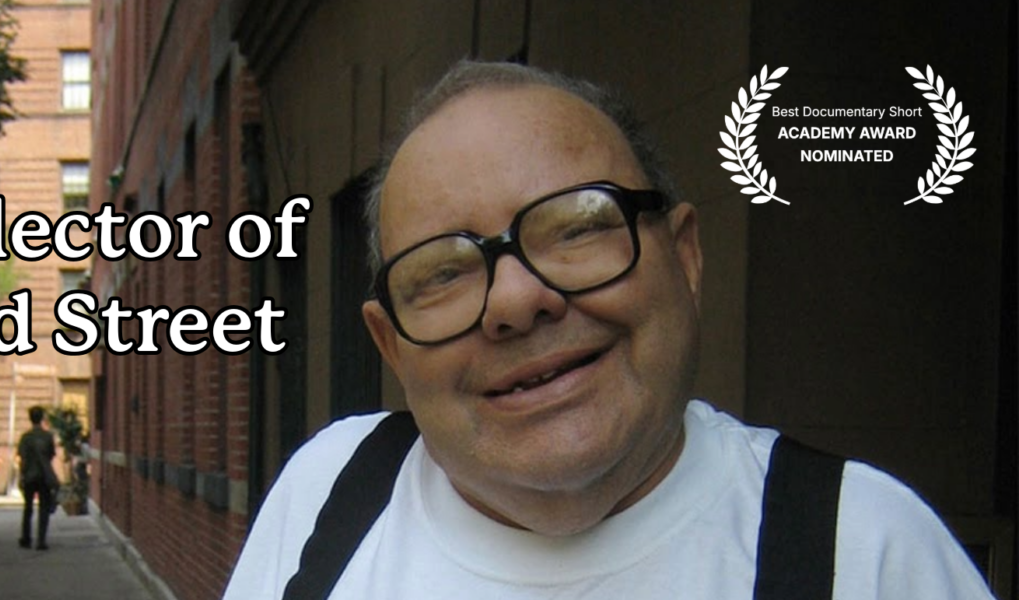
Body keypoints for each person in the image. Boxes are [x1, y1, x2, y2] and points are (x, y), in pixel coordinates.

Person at [222, 60, 994, 599]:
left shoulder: (865, 549)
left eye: (578, 227)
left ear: (685, 257)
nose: (516, 300)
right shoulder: (329, 492)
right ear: (388, 345)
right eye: (444, 272)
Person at [16, 405, 58, 550]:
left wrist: (22, 475)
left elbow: (22, 458)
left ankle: (26, 538)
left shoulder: (26, 438)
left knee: (28, 508)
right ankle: (41, 540)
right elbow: (51, 455)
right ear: (42, 418)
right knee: (44, 509)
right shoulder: (48, 437)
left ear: (30, 418)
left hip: (29, 476)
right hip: (44, 476)